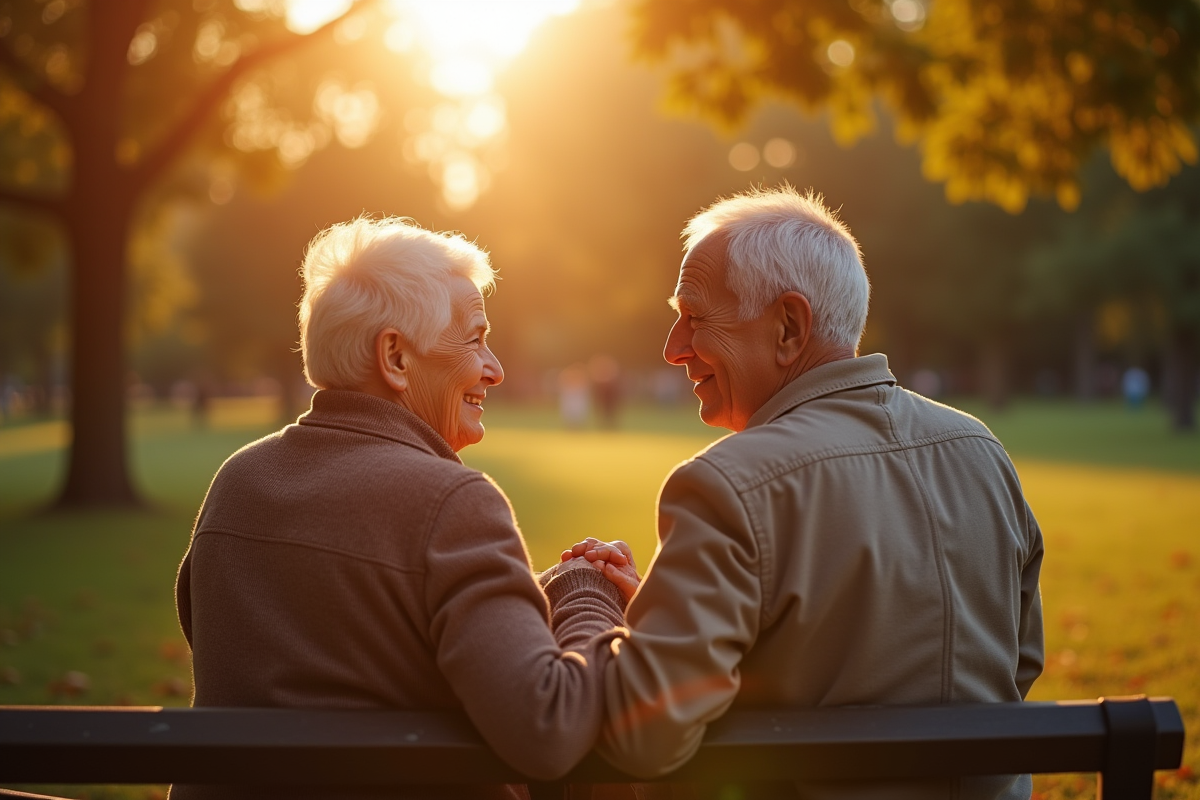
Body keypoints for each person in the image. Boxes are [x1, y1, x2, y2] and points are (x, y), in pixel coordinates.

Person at [567, 187, 1045, 800]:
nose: (672, 348)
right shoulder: (980, 450)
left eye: (695, 317)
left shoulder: (728, 483)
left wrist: (593, 613)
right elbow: (1016, 665)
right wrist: (673, 619)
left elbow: (640, 738)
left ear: (789, 326)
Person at [173, 217, 626, 800]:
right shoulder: (452, 503)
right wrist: (586, 593)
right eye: (475, 340)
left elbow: (343, 636)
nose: (494, 368)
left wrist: (530, 594)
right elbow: (550, 731)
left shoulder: (238, 482)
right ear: (395, 357)